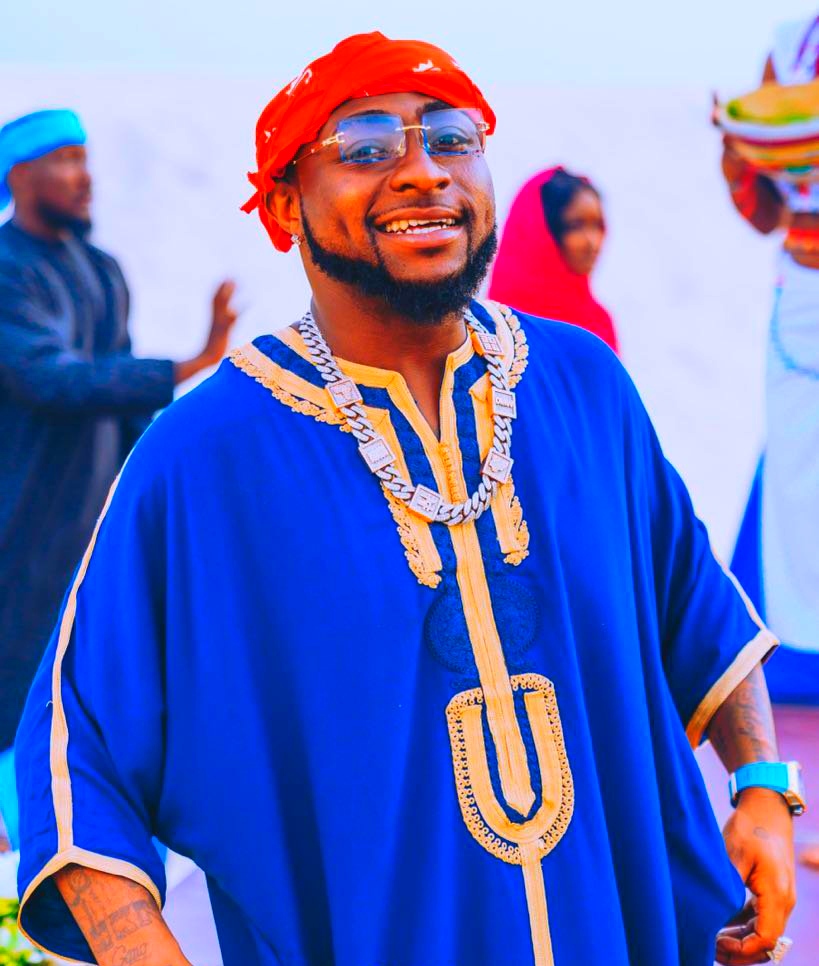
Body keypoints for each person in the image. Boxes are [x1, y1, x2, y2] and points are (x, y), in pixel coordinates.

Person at [14, 34, 801, 966]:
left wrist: (759, 787)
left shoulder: (583, 387)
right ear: (284, 203)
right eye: (365, 147)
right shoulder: (204, 458)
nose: (424, 172)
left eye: (453, 139)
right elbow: (76, 755)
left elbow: (695, 606)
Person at [0, 109, 238, 851]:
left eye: (85, 158)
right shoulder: (5, 269)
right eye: (65, 160)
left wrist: (153, 500)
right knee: (13, 683)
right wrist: (186, 366)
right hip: (18, 523)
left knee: (86, 684)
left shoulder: (101, 269)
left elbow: (125, 407)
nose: (84, 176)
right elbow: (48, 378)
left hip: (87, 525)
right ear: (19, 176)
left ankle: (61, 843)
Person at [721, 17, 819, 707]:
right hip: (804, 291)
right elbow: (761, 212)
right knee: (798, 468)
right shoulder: (788, 49)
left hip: (801, 290)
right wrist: (739, 149)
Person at [489, 166, 618, 352]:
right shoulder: (501, 325)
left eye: (597, 225)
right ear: (540, 232)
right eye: (575, 226)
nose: (593, 242)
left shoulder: (598, 324)